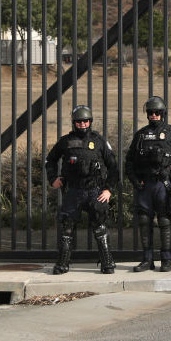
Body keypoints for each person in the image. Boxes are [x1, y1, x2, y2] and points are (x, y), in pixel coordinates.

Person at [44, 105, 118, 275]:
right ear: (74, 123)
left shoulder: (99, 141)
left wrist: (108, 190)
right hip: (73, 191)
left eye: (85, 121)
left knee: (99, 227)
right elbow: (50, 161)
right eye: (79, 122)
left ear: (90, 121)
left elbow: (113, 167)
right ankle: (62, 264)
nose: (82, 124)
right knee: (67, 228)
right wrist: (53, 179)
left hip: (95, 191)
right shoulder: (65, 141)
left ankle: (107, 263)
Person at [125, 96, 171, 272]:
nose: (153, 115)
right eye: (151, 112)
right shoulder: (141, 135)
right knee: (144, 220)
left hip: (163, 184)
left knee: (164, 220)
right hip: (145, 185)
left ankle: (166, 260)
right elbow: (129, 161)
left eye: (157, 112)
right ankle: (147, 260)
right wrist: (135, 180)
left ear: (163, 114)